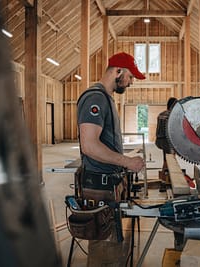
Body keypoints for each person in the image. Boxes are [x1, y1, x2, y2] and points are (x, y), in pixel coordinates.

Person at [77, 52, 145, 266]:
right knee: (104, 251)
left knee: (114, 245)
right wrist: (127, 162)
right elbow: (89, 145)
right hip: (100, 188)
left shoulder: (106, 98)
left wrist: (124, 159)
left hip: (110, 186)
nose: (131, 82)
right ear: (117, 71)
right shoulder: (95, 98)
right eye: (130, 76)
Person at [155, 97, 178, 169]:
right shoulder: (172, 115)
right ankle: (170, 176)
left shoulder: (161, 114)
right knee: (172, 160)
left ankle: (164, 175)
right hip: (167, 141)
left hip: (159, 140)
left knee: (165, 159)